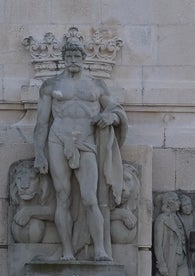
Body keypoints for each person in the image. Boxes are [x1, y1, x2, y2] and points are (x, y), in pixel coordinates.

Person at [33, 39, 127, 261]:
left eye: (77, 56)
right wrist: (39, 152)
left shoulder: (96, 85)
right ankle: (67, 252)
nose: (73, 60)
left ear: (83, 58)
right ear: (63, 59)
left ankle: (100, 249)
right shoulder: (50, 85)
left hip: (86, 142)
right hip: (58, 140)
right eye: (69, 56)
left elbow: (115, 110)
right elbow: (42, 123)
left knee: (89, 198)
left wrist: (110, 117)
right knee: (62, 197)